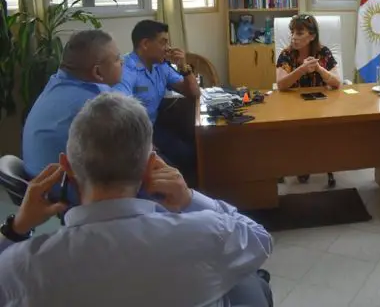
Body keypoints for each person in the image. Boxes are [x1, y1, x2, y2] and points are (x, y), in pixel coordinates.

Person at [0, 92, 273, 307]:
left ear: (67, 167)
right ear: (151, 165)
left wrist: (15, 229)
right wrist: (189, 199)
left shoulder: (22, 267)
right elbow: (260, 240)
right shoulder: (209, 232)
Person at [23, 29, 123, 181]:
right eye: (117, 58)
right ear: (97, 72)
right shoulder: (98, 104)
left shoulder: (55, 84)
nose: (122, 62)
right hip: (67, 192)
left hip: (38, 186)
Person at [114, 20, 200, 184]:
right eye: (163, 42)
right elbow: (119, 111)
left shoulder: (160, 66)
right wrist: (146, 144)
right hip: (134, 136)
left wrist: (184, 67)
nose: (168, 48)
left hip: (153, 128)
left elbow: (194, 93)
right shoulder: (126, 69)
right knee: (169, 170)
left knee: (189, 154)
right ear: (145, 44)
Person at [276, 14, 341, 187]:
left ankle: (309, 162)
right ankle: (302, 163)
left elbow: (337, 82)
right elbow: (281, 84)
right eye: (292, 33)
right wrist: (302, 70)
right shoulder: (286, 54)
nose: (293, 37)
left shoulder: (323, 53)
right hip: (292, 108)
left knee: (319, 130)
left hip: (319, 107)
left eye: (299, 33)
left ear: (312, 36)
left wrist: (319, 69)